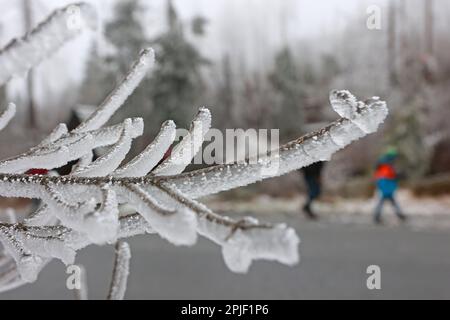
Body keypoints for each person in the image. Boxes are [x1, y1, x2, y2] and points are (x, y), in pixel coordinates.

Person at [373, 147, 407, 224]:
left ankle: (378, 215)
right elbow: (390, 174)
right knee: (386, 200)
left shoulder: (384, 162)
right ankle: (378, 215)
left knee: (387, 200)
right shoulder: (387, 164)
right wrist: (399, 175)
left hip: (385, 183)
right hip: (386, 184)